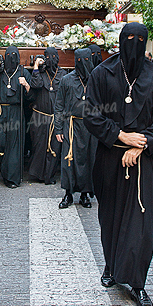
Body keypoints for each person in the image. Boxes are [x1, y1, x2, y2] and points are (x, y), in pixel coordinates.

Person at [84, 22, 153, 306]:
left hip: (142, 161)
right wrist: (120, 136)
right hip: (110, 157)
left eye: (140, 39)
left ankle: (137, 283)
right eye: (129, 39)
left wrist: (142, 144)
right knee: (109, 216)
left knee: (140, 224)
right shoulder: (102, 73)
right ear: (121, 40)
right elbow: (91, 114)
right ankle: (110, 265)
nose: (134, 44)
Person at [54, 48, 98, 209]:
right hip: (71, 125)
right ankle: (68, 194)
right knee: (68, 160)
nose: (83, 64)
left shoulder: (96, 79)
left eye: (86, 61)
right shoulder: (66, 80)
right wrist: (58, 129)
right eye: (79, 61)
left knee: (88, 160)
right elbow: (58, 105)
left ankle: (85, 194)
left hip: (90, 127)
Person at [0, 46, 31, 188]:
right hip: (1, 111)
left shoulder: (23, 72)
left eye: (14, 55)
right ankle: (2, 166)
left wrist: (26, 85)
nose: (12, 58)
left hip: (16, 111)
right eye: (8, 55)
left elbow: (31, 96)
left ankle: (12, 178)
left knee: (14, 146)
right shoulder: (0, 72)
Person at [28, 47, 66, 185]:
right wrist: (36, 67)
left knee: (54, 148)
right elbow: (36, 85)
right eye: (48, 58)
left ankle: (49, 176)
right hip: (40, 117)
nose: (51, 61)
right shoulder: (40, 73)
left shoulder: (62, 74)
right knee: (39, 147)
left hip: (55, 118)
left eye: (53, 57)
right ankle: (38, 174)